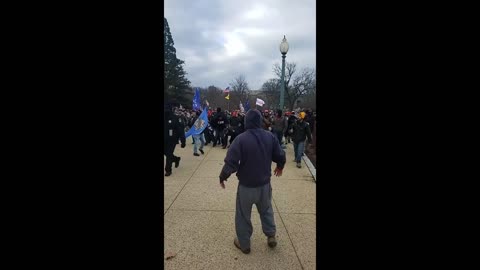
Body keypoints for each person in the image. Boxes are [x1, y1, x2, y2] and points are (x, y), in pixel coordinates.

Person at [219, 109, 286, 254]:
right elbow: (280, 154)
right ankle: (271, 235)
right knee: (267, 210)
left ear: (246, 122)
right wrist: (280, 166)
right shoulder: (270, 137)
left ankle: (244, 244)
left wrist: (223, 176)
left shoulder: (240, 139)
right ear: (260, 121)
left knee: (243, 215)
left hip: (246, 186)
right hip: (264, 185)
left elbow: (231, 162)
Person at [164, 106, 186, 176]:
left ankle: (168, 170)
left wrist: (183, 141)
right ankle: (176, 159)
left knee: (169, 154)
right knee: (167, 154)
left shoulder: (176, 118)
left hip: (172, 140)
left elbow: (180, 131)